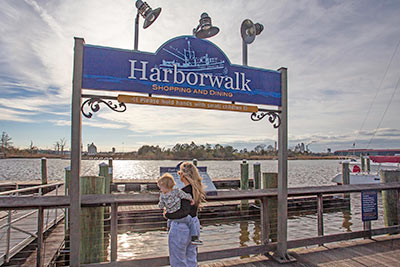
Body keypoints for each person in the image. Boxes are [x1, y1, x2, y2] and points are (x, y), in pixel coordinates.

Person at [164, 161, 206, 267]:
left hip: (181, 227)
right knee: (191, 257)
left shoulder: (183, 192)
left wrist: (167, 214)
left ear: (182, 175)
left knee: (178, 261)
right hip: (194, 224)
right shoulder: (197, 189)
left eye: (179, 174)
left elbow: (182, 212)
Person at [157, 173, 202, 245]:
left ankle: (169, 230)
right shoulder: (177, 191)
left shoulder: (162, 196)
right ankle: (194, 237)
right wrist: (191, 200)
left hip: (171, 216)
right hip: (179, 215)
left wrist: (163, 209)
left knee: (169, 221)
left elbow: (160, 206)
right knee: (190, 220)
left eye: (160, 187)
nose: (160, 189)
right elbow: (186, 196)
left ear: (164, 186)